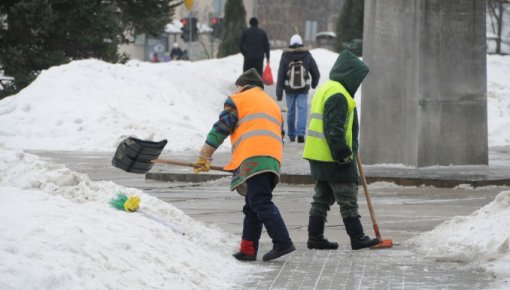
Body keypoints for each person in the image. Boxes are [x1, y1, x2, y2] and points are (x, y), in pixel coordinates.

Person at [193, 68, 295, 262]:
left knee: (260, 202)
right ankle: (248, 249)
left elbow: (221, 128)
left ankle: (282, 241)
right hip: (272, 158)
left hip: (254, 157)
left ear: (241, 86)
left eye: (237, 87)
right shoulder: (271, 104)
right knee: (252, 205)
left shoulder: (238, 100)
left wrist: (204, 155)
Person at [303, 51, 380, 251]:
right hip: (334, 158)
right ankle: (357, 237)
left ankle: (315, 237)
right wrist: (343, 154)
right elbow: (334, 129)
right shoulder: (339, 94)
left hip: (318, 156)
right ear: (350, 75)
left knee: (321, 198)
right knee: (347, 198)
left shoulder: (327, 88)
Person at [276, 34, 320, 143]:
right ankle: (300, 134)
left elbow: (281, 75)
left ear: (290, 44)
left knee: (290, 111)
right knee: (302, 110)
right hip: (303, 88)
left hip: (289, 88)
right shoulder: (307, 55)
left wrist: (279, 93)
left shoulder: (285, 56)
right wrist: (314, 84)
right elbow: (316, 73)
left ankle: (291, 134)